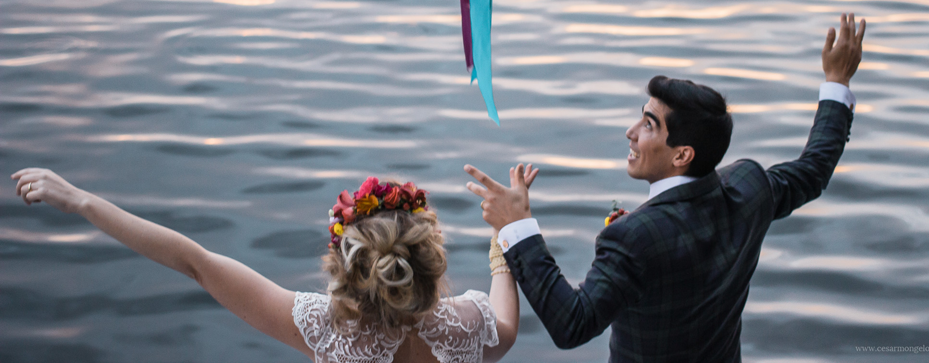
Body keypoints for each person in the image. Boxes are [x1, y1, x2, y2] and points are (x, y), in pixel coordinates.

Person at [465, 12, 866, 363]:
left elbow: (573, 324)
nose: (631, 132)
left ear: (682, 155)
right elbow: (814, 170)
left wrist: (517, 228)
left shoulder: (633, 237)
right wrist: (837, 81)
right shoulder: (750, 187)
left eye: (649, 125)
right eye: (640, 118)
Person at [10, 170, 537, 363]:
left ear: (347, 265)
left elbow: (195, 262)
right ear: (429, 264)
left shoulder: (327, 331)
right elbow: (506, 312)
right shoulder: (473, 328)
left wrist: (81, 200)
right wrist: (509, 231)